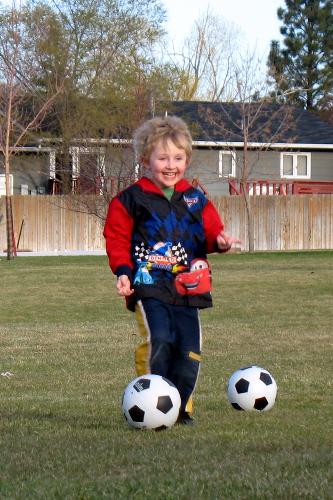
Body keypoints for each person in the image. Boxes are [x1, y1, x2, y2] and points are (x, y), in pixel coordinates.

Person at [103, 115, 239, 425]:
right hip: (148, 283)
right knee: (160, 338)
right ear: (145, 159)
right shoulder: (130, 200)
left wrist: (220, 241)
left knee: (189, 348)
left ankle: (180, 406)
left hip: (188, 286)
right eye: (162, 157)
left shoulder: (194, 199)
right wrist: (123, 271)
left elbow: (210, 233)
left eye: (178, 158)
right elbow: (117, 239)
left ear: (187, 160)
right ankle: (149, 398)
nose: (170, 164)